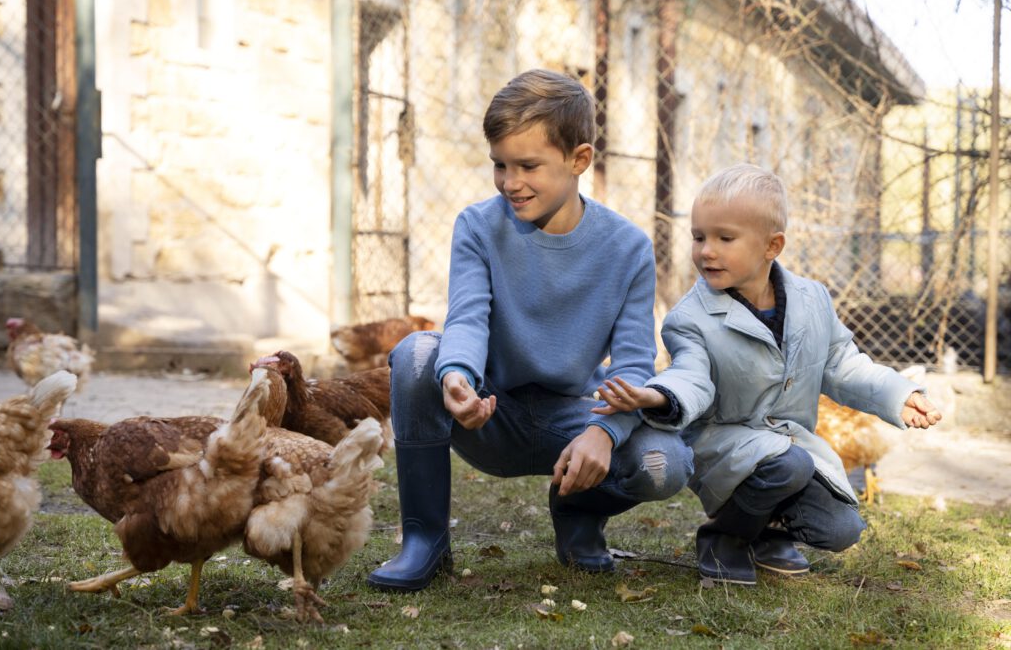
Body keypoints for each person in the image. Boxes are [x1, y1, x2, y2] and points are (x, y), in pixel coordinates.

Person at [366, 69, 694, 592]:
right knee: (417, 353)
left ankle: (578, 511)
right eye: (499, 165)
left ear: (578, 160)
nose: (509, 182)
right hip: (489, 414)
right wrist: (458, 377)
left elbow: (633, 366)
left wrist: (603, 432)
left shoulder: (628, 248)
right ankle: (424, 541)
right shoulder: (478, 227)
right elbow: (467, 318)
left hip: (573, 417)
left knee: (665, 463)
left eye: (528, 166)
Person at [593, 163, 942, 585]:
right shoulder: (691, 318)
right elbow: (691, 375)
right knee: (787, 464)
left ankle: (765, 533)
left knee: (841, 529)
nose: (707, 250)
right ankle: (723, 537)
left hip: (789, 447)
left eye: (725, 238)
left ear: (771, 245)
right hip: (722, 442)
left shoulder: (812, 300)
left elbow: (843, 364)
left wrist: (897, 394)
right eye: (699, 237)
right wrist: (657, 396)